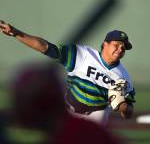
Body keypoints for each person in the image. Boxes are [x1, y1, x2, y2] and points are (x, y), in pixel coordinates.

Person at [0, 20, 136, 125]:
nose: (120, 49)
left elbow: (128, 113)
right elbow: (45, 47)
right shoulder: (82, 55)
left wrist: (122, 105)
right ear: (105, 44)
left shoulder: (124, 77)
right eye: (116, 44)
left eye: (123, 47)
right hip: (68, 110)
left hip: (96, 116)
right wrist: (16, 32)